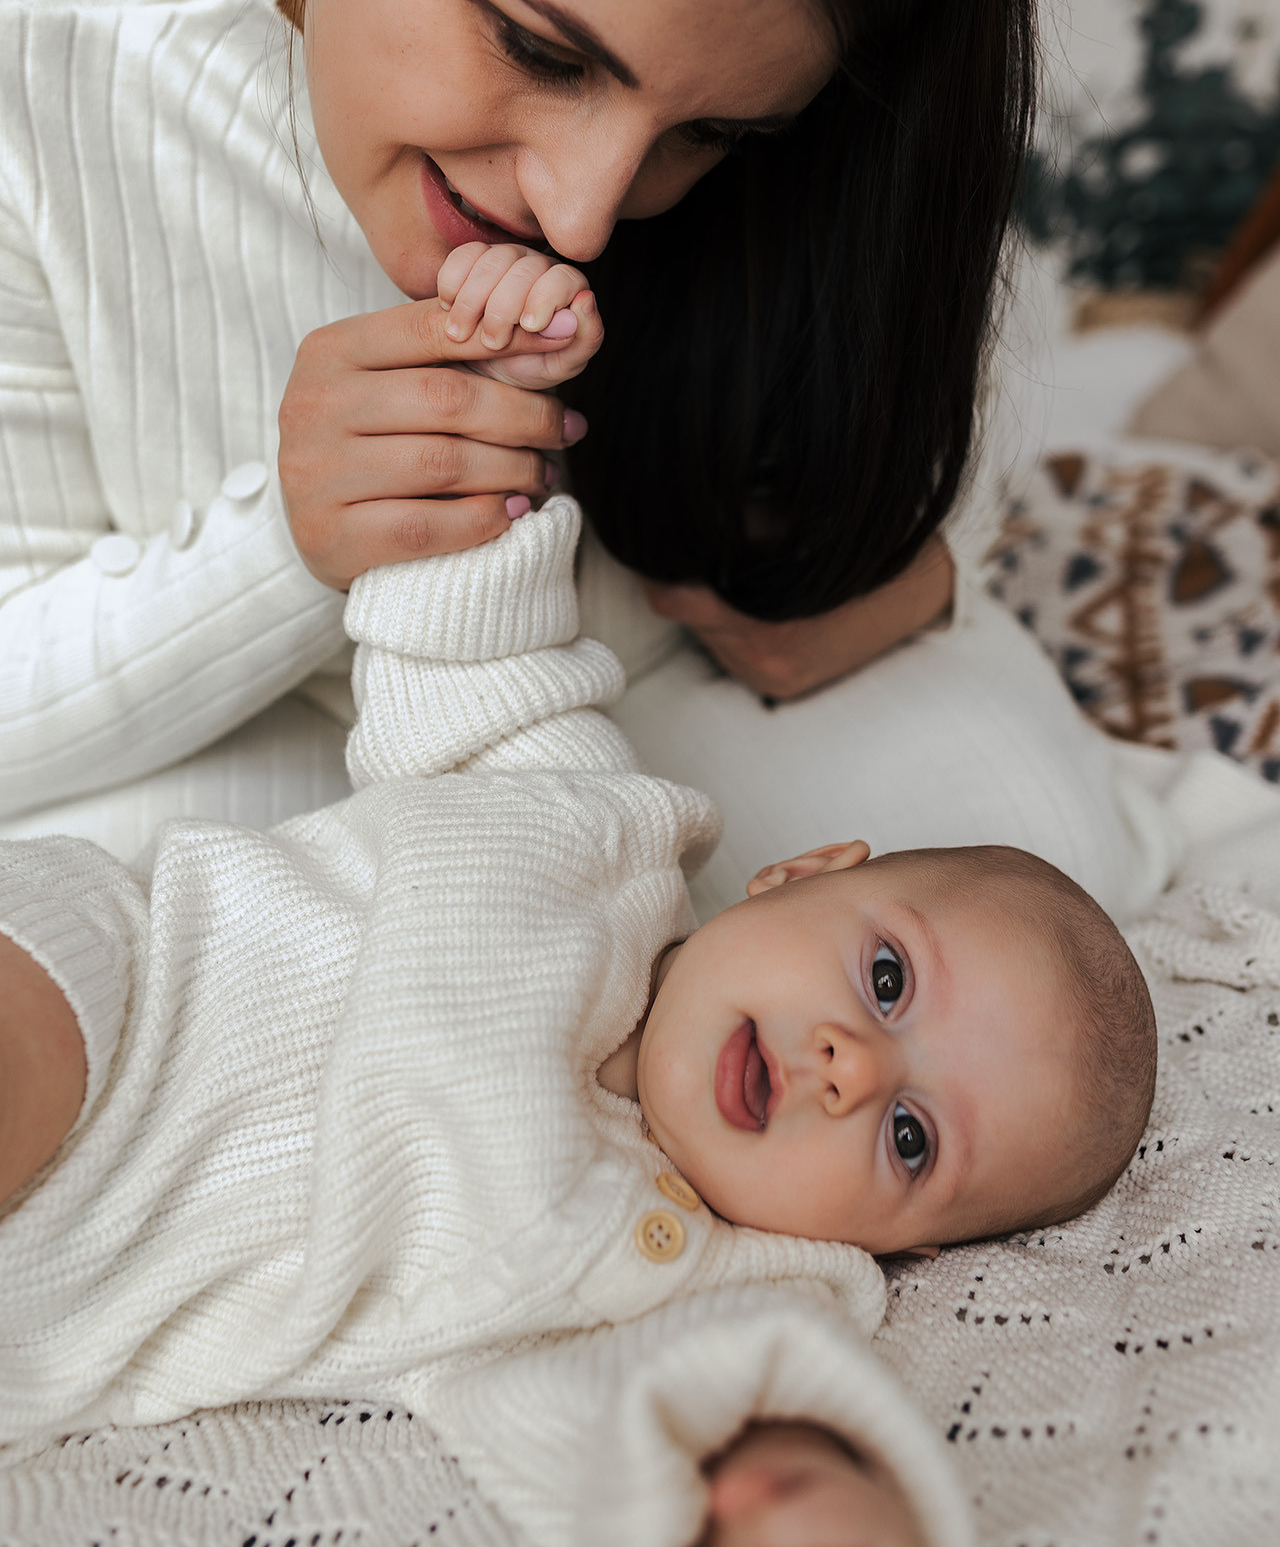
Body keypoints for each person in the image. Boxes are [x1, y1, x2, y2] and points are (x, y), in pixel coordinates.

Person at [1, 0, 1156, 906]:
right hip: (207, 746)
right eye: (544, 52)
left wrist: (900, 572)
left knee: (1046, 879)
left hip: (644, 690)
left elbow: (908, 400)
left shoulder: (828, 100)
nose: (586, 215)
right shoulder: (28, 39)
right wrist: (290, 541)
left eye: (712, 134)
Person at [0, 486, 1156, 1547]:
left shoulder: (698, 1272)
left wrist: (802, 1489)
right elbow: (471, 642)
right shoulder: (598, 824)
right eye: (887, 980)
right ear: (796, 874)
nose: (848, 1067)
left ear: (896, 1244)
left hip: (83, 1283)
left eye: (908, 1138)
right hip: (125, 989)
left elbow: (730, 1387)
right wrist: (476, 421)